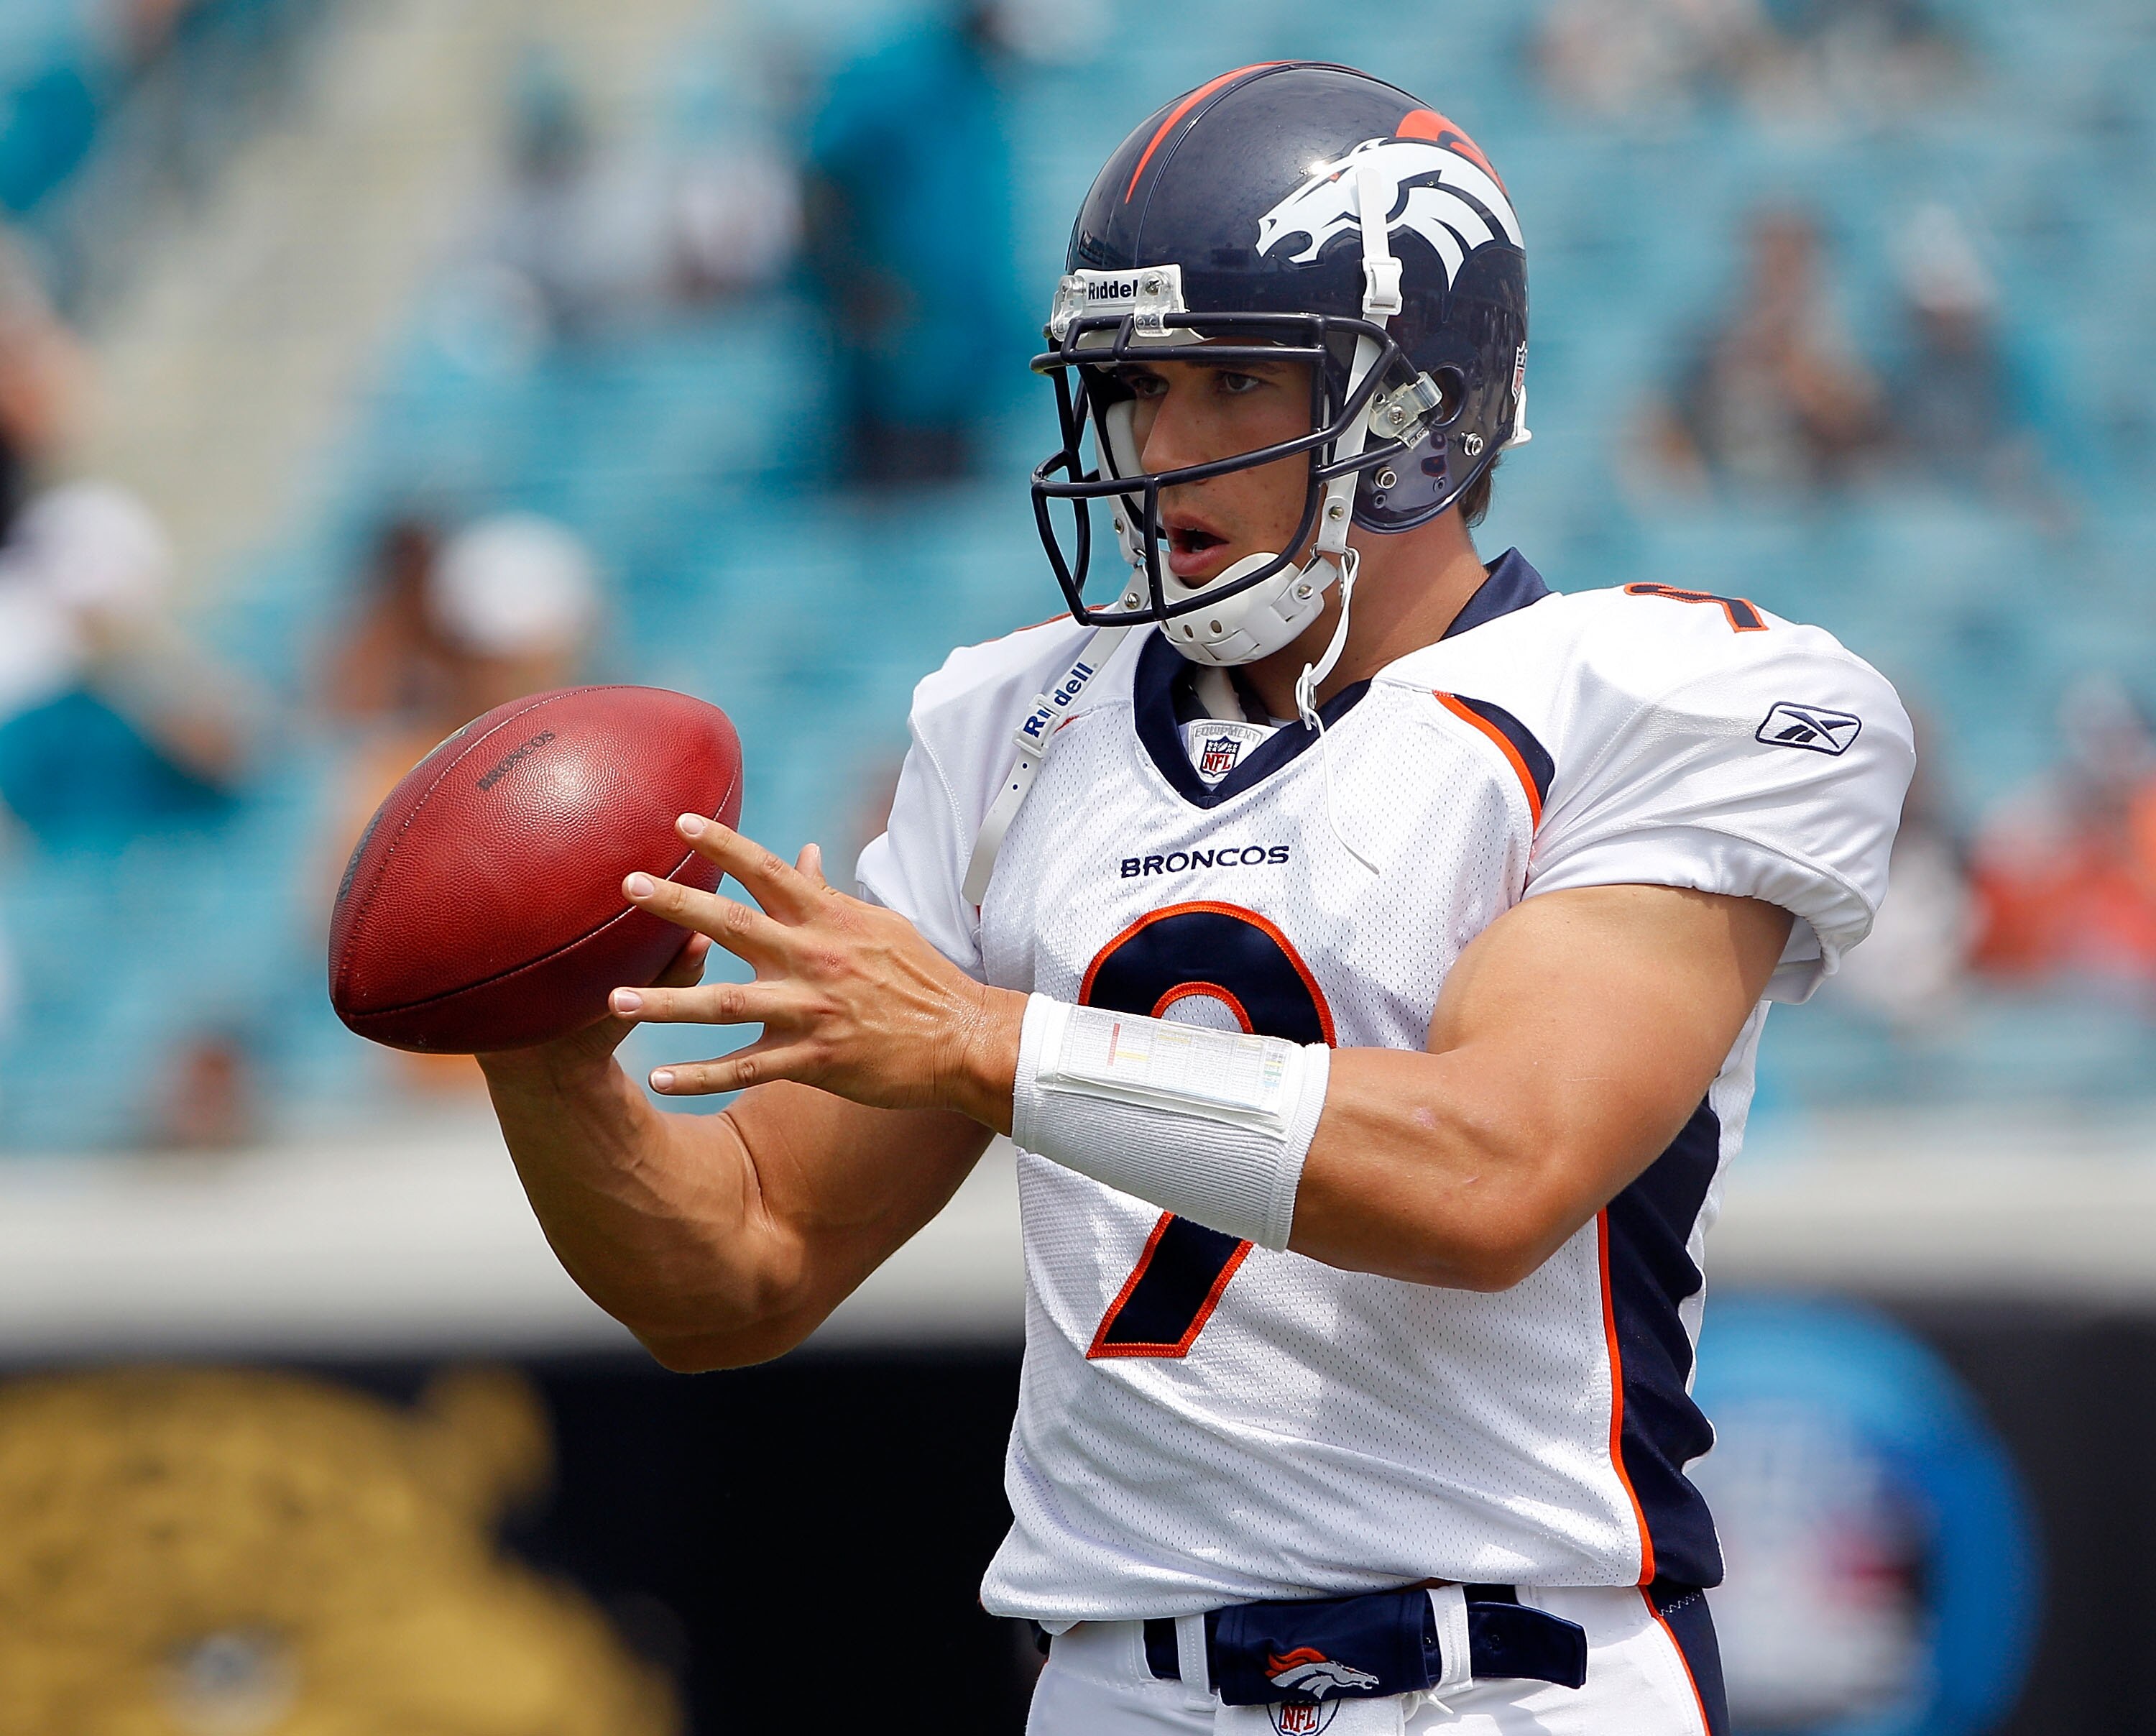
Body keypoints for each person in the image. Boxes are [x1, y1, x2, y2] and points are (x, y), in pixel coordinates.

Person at [475, 65, 1912, 1734]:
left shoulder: (1657, 691)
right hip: (1115, 1680)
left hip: (1511, 1681)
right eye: (1136, 384)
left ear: (1420, 406)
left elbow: (1498, 1167)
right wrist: (539, 1042)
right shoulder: (1008, 728)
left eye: (1235, 378)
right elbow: (739, 1264)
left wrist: (987, 1040)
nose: (1159, 449)